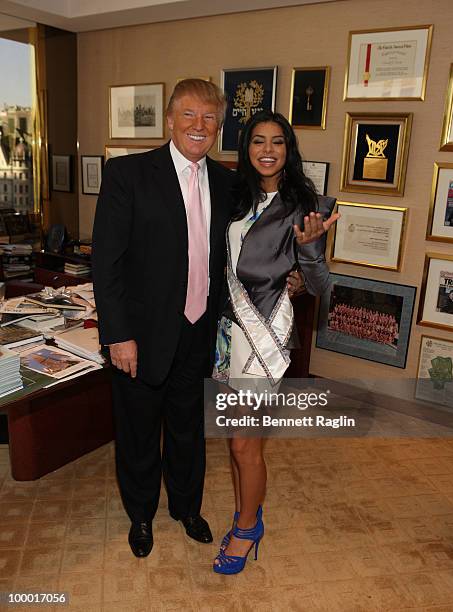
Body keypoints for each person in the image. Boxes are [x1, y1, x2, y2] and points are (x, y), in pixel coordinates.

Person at [92, 80, 302, 558]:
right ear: (169, 120)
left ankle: (187, 508)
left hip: (202, 333)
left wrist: (294, 275)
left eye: (209, 118)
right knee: (140, 430)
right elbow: (106, 263)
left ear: (218, 126)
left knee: (188, 429)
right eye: (189, 115)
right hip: (140, 337)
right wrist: (118, 335)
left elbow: (256, 243)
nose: (199, 126)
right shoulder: (128, 174)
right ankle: (141, 515)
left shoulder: (230, 184)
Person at [211, 110, 339, 575]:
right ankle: (249, 512)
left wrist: (307, 253)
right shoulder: (232, 197)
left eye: (278, 142)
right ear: (246, 148)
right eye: (258, 141)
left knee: (246, 445)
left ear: (289, 149)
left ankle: (247, 530)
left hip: (265, 333)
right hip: (228, 333)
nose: (268, 150)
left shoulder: (310, 205)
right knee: (236, 442)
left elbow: (321, 285)